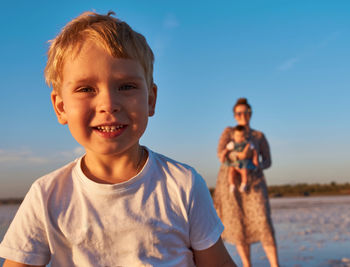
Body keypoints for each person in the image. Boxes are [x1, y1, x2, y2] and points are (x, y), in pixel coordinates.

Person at [0, 11, 236, 267]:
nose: (109, 104)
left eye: (126, 86)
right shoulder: (48, 196)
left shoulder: (183, 185)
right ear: (61, 107)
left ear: (150, 100)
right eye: (86, 89)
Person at [213, 98, 280, 267]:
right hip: (231, 186)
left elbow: (268, 161)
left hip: (254, 185)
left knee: (263, 222)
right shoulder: (228, 132)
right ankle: (246, 265)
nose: (242, 115)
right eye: (239, 113)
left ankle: (275, 264)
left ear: (250, 113)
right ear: (235, 115)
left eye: (246, 112)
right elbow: (220, 152)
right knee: (238, 225)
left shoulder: (258, 136)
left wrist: (255, 166)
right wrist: (238, 157)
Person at [220, 125, 258, 193]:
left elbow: (254, 151)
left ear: (245, 136)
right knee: (231, 171)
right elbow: (225, 150)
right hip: (235, 162)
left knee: (244, 172)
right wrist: (223, 156)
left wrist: (255, 159)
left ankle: (244, 184)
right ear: (234, 136)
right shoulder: (232, 144)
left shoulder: (248, 143)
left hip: (244, 162)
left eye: (242, 136)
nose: (240, 138)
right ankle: (232, 185)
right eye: (238, 136)